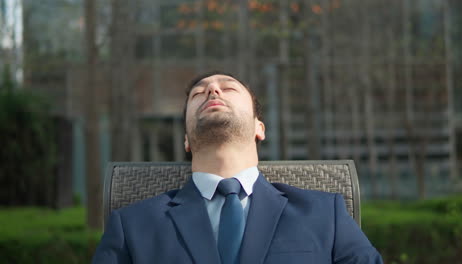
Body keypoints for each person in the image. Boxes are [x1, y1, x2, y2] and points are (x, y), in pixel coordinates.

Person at [92, 71, 383, 264]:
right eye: (198, 93)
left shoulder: (323, 213)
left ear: (260, 128)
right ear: (186, 141)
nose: (213, 90)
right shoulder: (131, 225)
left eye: (228, 87)